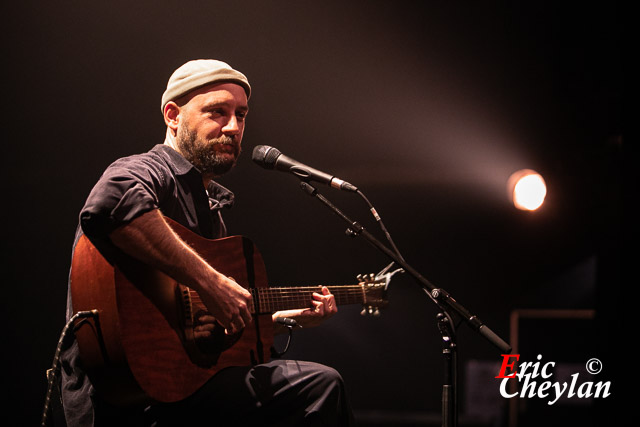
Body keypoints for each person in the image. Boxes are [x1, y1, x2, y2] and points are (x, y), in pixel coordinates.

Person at [60, 59, 355, 426]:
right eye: (217, 112)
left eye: (241, 115)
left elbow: (200, 326)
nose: (233, 127)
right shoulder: (148, 170)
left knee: (311, 382)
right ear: (172, 115)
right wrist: (212, 282)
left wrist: (283, 320)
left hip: (184, 388)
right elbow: (111, 202)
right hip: (126, 397)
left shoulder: (211, 210)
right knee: (318, 386)